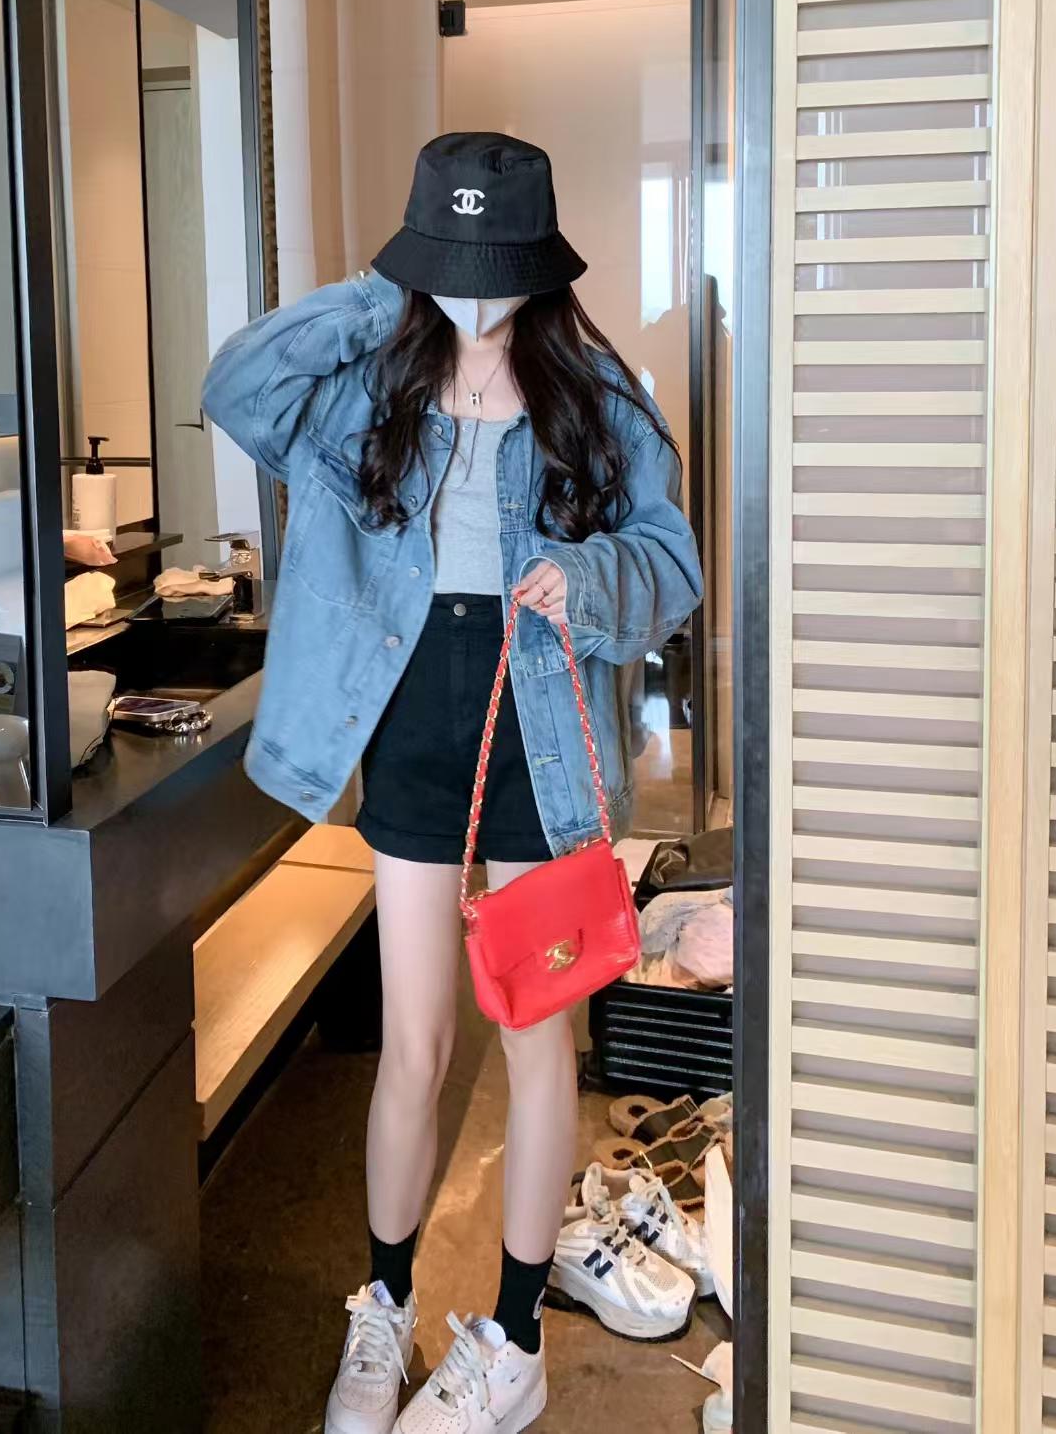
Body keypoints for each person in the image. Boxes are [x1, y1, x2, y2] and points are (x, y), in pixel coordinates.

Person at [202, 132, 702, 1434]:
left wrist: (588, 578)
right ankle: (382, 1309)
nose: (477, 298)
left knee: (537, 1044)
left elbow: (674, 564)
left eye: (496, 269)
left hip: (538, 726)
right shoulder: (367, 382)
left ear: (540, 266)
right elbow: (235, 385)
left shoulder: (596, 391)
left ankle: (515, 1339)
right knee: (414, 1041)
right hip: (413, 719)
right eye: (452, 266)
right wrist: (379, 294)